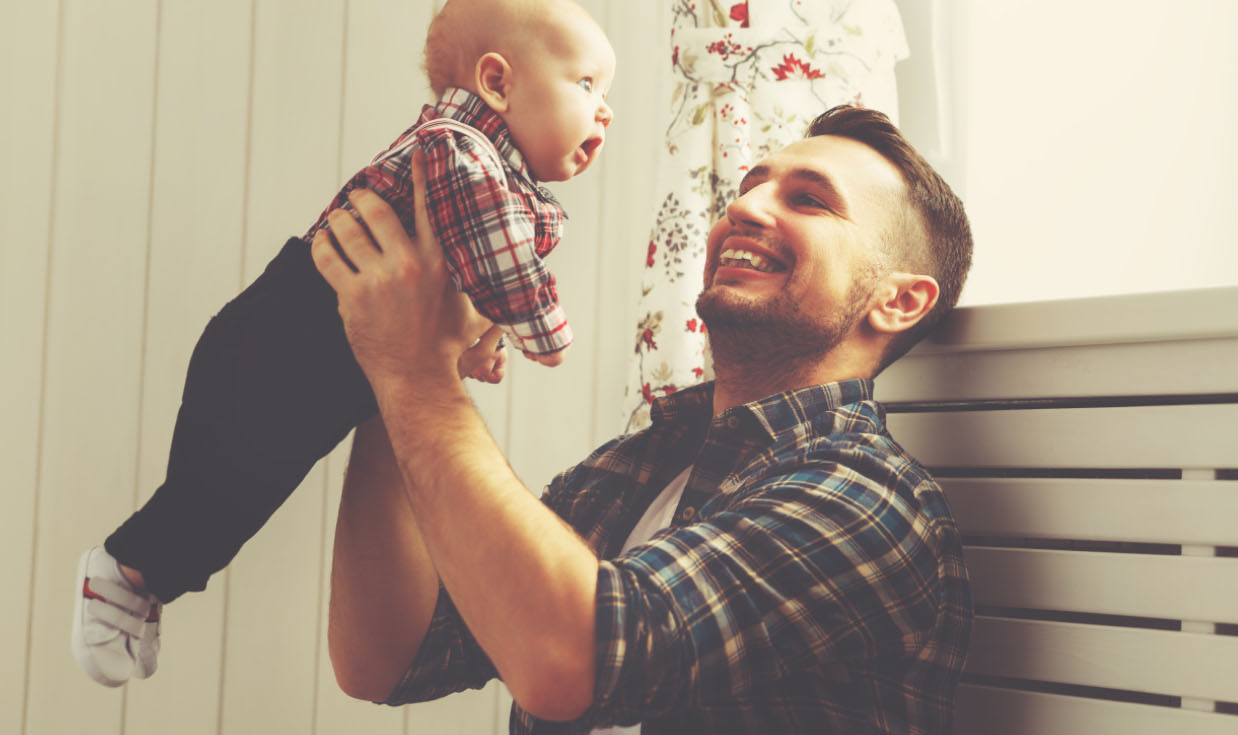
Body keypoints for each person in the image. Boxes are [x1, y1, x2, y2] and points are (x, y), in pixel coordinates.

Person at [315, 105, 974, 734]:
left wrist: (418, 371)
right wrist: (386, 374)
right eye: (748, 188)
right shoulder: (633, 466)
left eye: (809, 199)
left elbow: (570, 661)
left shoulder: (868, 499)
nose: (742, 208)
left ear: (900, 300)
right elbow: (385, 658)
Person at [72, 0, 615, 688]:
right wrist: (543, 329)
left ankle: (143, 581)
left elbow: (469, 275)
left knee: (248, 485)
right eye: (588, 85)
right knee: (230, 478)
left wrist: (472, 342)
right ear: (498, 83)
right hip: (295, 327)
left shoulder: (498, 174)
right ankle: (123, 571)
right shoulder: (463, 148)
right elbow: (501, 262)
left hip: (338, 344)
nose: (605, 113)